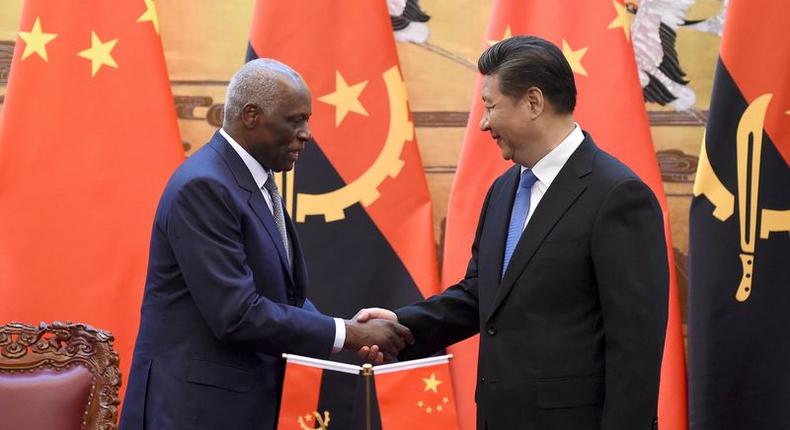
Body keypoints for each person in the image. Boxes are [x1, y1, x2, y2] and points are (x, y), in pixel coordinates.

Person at [357, 35, 668, 429]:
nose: (484, 122)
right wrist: (401, 324)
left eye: (490, 106)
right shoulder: (504, 190)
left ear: (533, 102)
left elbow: (635, 349)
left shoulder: (618, 196)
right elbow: (480, 295)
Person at [119, 59, 412, 430]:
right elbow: (237, 314)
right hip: (194, 411)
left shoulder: (252, 182)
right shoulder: (205, 186)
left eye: (307, 120)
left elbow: (281, 297)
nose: (306, 133)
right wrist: (348, 334)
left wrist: (340, 327)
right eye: (295, 120)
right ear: (252, 116)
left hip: (237, 406)